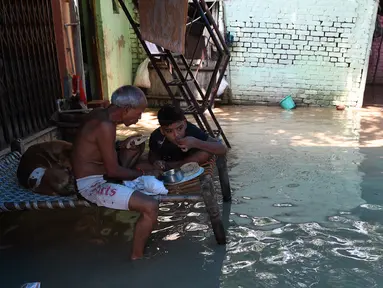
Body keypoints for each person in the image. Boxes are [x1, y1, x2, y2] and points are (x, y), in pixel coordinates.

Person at [71, 85, 161, 260]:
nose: (139, 117)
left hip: (100, 174)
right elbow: (113, 171)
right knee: (151, 206)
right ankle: (137, 258)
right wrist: (141, 173)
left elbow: (95, 148)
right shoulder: (106, 126)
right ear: (126, 109)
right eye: (139, 112)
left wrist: (120, 145)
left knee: (136, 145)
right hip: (91, 185)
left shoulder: (100, 115)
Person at [148, 104, 227, 170]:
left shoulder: (191, 130)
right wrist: (156, 162)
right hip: (168, 165)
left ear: (185, 124)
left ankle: (177, 166)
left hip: (187, 163)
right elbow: (152, 155)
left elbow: (222, 149)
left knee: (204, 154)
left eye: (179, 128)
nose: (176, 135)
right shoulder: (156, 136)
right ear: (162, 130)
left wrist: (195, 143)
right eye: (169, 131)